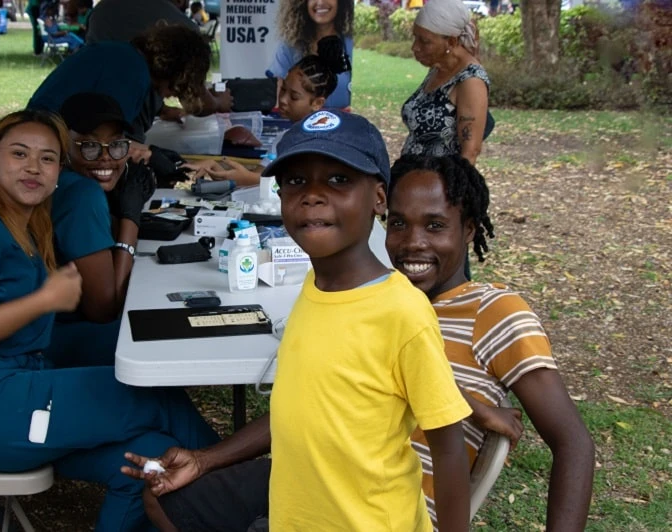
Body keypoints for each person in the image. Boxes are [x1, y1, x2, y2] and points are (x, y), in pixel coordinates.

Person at [122, 111, 473, 532]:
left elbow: (449, 449)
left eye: (339, 180)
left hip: (365, 522)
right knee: (166, 500)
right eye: (296, 181)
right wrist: (204, 459)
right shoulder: (315, 286)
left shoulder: (402, 313)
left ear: (379, 198)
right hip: (296, 511)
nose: (312, 196)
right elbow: (303, 408)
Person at [0, 109, 220, 532]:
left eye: (47, 158)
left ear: (60, 169)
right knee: (154, 396)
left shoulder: (23, 226)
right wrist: (43, 300)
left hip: (13, 399)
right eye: (19, 154)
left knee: (153, 461)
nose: (32, 168)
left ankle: (223, 496)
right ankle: (239, 497)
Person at [385, 154, 595, 530]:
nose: (412, 243)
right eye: (398, 223)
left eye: (435, 225)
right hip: (334, 488)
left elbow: (573, 445)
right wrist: (474, 408)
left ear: (468, 229)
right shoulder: (384, 301)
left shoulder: (492, 311)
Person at [45, 92, 153, 368]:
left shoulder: (62, 182)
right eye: (90, 146)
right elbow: (105, 309)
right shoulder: (83, 195)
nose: (106, 158)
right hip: (55, 341)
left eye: (117, 145)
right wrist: (131, 219)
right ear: (62, 145)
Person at [28, 23, 210, 164]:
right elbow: (108, 144)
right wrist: (156, 156)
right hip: (46, 145)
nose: (171, 95)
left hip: (41, 136)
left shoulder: (124, 56)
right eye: (174, 88)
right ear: (175, 72)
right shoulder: (132, 74)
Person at [183, 53, 341, 186]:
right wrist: (215, 167)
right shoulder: (283, 139)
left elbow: (296, 183)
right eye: (283, 89)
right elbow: (258, 176)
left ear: (317, 103)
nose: (283, 99)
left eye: (294, 96)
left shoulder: (320, 142)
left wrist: (245, 178)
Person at [84, 0, 232, 141]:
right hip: (103, 135)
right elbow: (198, 103)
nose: (168, 95)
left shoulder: (102, 10)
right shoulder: (180, 28)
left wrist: (161, 109)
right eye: (172, 89)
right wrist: (219, 103)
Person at [400, 0, 490, 164]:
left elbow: (470, 153)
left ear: (451, 42)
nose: (415, 47)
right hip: (411, 179)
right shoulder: (437, 68)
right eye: (415, 38)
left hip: (441, 185)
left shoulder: (471, 80)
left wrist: (454, 187)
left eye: (425, 41)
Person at [270, 0, 354, 109]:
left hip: (348, 122)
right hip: (301, 123)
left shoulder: (353, 43)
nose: (320, 2)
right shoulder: (290, 46)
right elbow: (279, 101)